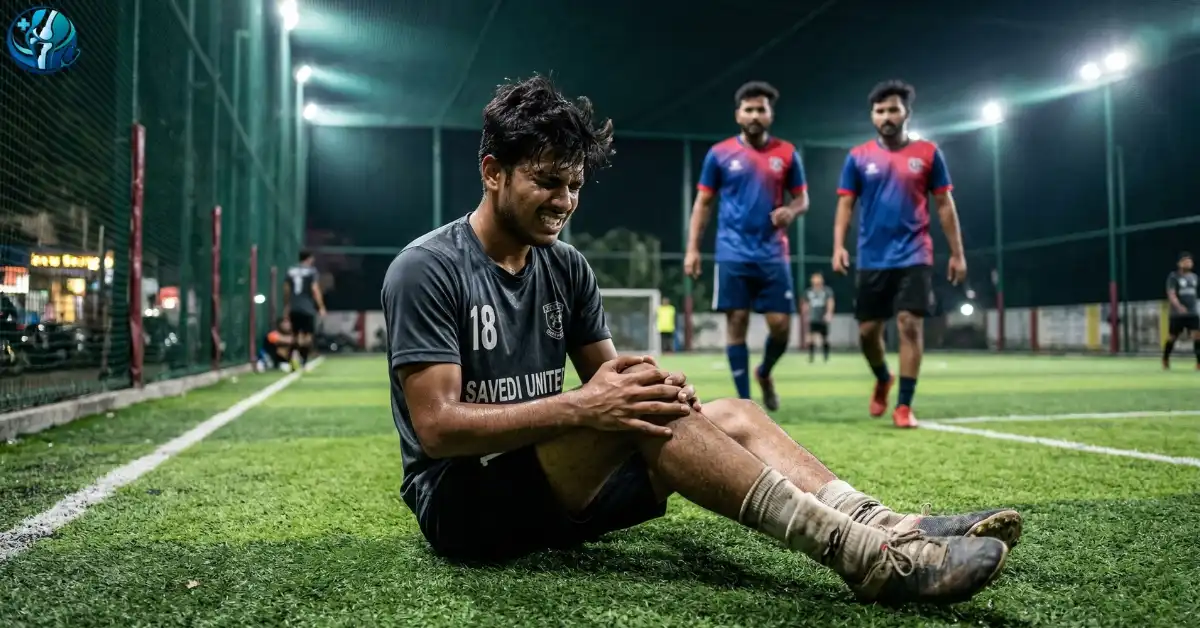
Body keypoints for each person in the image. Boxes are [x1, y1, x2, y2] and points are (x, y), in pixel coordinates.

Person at [382, 75, 1021, 606]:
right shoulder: (428, 268)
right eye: (547, 181)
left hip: (554, 484)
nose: (565, 201)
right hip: (465, 506)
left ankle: (888, 524)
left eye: (574, 185)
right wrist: (585, 405)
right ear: (493, 171)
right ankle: (867, 557)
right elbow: (438, 429)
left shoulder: (566, 266)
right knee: (642, 417)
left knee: (733, 413)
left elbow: (616, 381)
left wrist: (653, 386)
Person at [832, 80, 966, 429]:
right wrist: (838, 246)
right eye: (880, 111)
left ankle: (904, 405)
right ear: (872, 116)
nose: (886, 116)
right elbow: (845, 204)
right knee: (867, 332)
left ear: (907, 112)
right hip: (872, 258)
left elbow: (944, 204)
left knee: (909, 324)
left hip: (914, 253)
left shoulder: (928, 153)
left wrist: (957, 253)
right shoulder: (858, 157)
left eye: (893, 109)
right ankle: (882, 377)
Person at [684, 81, 808, 412]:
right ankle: (745, 402)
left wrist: (791, 210)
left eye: (761, 109)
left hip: (773, 253)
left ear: (770, 114)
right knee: (736, 320)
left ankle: (764, 372)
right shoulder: (720, 154)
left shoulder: (787, 153)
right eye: (749, 109)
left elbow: (802, 198)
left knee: (781, 327)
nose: (755, 115)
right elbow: (703, 203)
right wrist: (692, 249)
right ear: (738, 114)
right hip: (732, 251)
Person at [283, 251, 325, 370]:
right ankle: (303, 360)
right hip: (307, 308)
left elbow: (286, 290)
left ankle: (290, 359)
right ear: (309, 258)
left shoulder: (291, 271)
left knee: (295, 336)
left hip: (294, 307)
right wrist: (321, 306)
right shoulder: (311, 271)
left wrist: (287, 305)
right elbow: (314, 289)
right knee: (307, 336)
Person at [1163, 251, 1199, 370]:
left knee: (1197, 336)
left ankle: (1199, 363)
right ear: (1179, 263)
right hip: (1177, 314)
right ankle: (1165, 359)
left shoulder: (1194, 277)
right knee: (1172, 337)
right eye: (1185, 261)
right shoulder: (1173, 277)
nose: (1188, 263)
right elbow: (1171, 294)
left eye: (1190, 261)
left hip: (1192, 312)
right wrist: (1179, 307)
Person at [803, 272, 834, 363]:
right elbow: (806, 304)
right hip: (813, 317)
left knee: (824, 338)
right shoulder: (808, 292)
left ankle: (826, 356)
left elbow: (830, 302)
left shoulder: (827, 291)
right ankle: (811, 357)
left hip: (822, 317)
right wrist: (806, 314)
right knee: (810, 338)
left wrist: (829, 313)